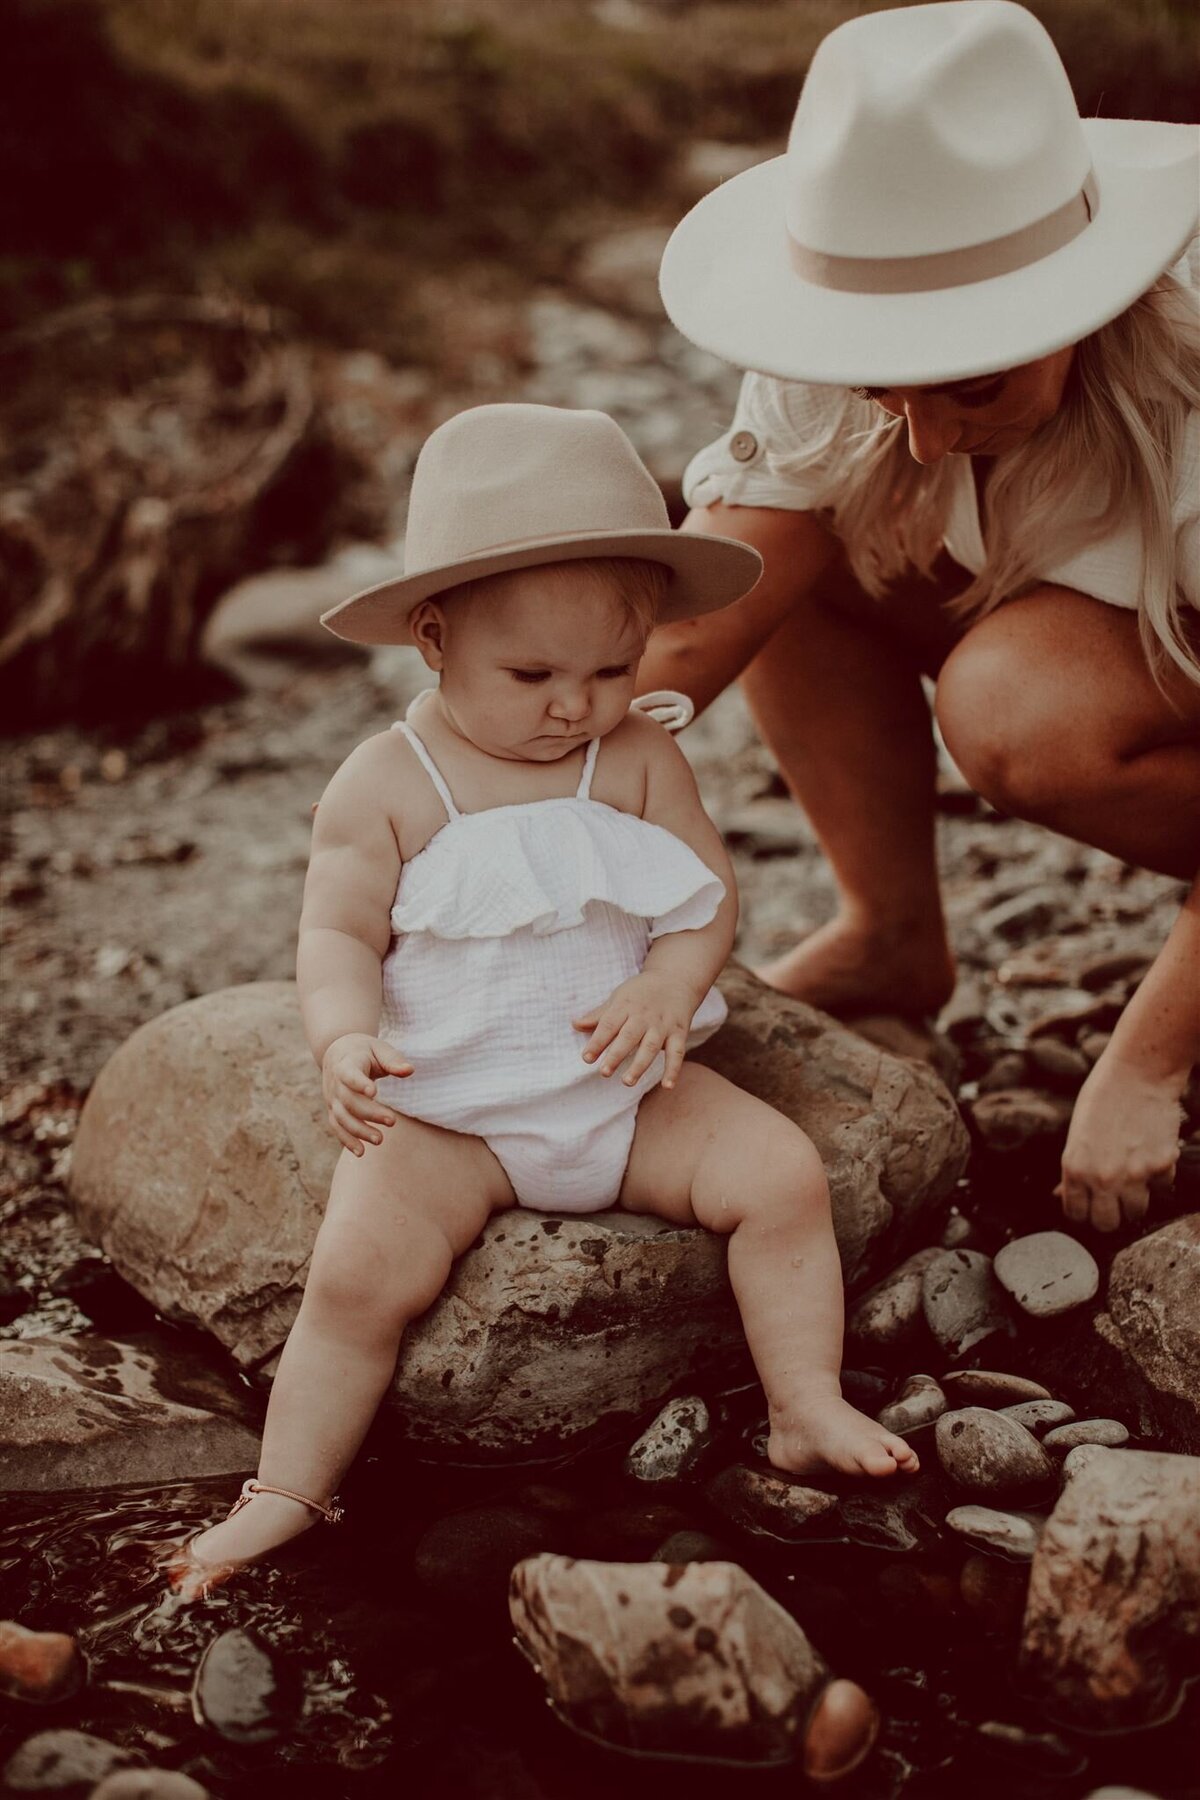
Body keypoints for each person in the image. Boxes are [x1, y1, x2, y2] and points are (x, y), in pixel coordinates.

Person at [173, 403, 918, 1595]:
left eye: (612, 669)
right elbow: (337, 931)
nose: (575, 704)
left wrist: (673, 985)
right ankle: (286, 1493)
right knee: (357, 1279)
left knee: (779, 1177)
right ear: (432, 635)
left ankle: (804, 1404)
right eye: (531, 675)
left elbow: (705, 896)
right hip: (449, 1116)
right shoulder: (388, 781)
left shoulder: (632, 755)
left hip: (624, 1096)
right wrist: (342, 1038)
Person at [643, 0, 1200, 1237]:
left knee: (1014, 711)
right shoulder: (854, 299)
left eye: (970, 382)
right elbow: (693, 623)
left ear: (1086, 301)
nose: (923, 436)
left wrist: (1148, 1061)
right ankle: (888, 937)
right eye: (873, 384)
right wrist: (452, 779)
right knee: (774, 560)